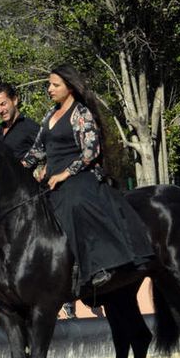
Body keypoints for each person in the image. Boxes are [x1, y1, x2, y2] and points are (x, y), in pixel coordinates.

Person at [22, 63, 153, 301]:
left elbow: (91, 152)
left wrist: (64, 174)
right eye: (49, 84)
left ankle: (96, 266)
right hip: (52, 179)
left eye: (55, 85)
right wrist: (19, 167)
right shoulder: (49, 115)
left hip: (79, 176)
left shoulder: (80, 113)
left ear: (69, 87)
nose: (49, 89)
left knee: (75, 203)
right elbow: (37, 150)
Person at [0, 80, 40, 160]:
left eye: (3, 104)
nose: (0, 110)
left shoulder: (29, 127)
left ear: (15, 100)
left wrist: (28, 163)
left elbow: (50, 148)